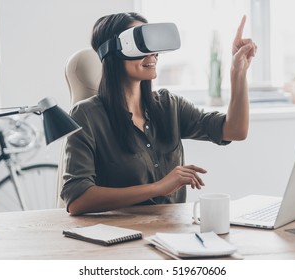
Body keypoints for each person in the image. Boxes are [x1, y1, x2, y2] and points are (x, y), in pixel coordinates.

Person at [61, 12, 257, 215]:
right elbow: (77, 199)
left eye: (153, 46)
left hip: (172, 234)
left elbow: (234, 130)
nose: (153, 54)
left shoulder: (169, 105)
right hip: (121, 238)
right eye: (141, 43)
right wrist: (159, 187)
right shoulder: (86, 116)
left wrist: (238, 71)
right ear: (114, 50)